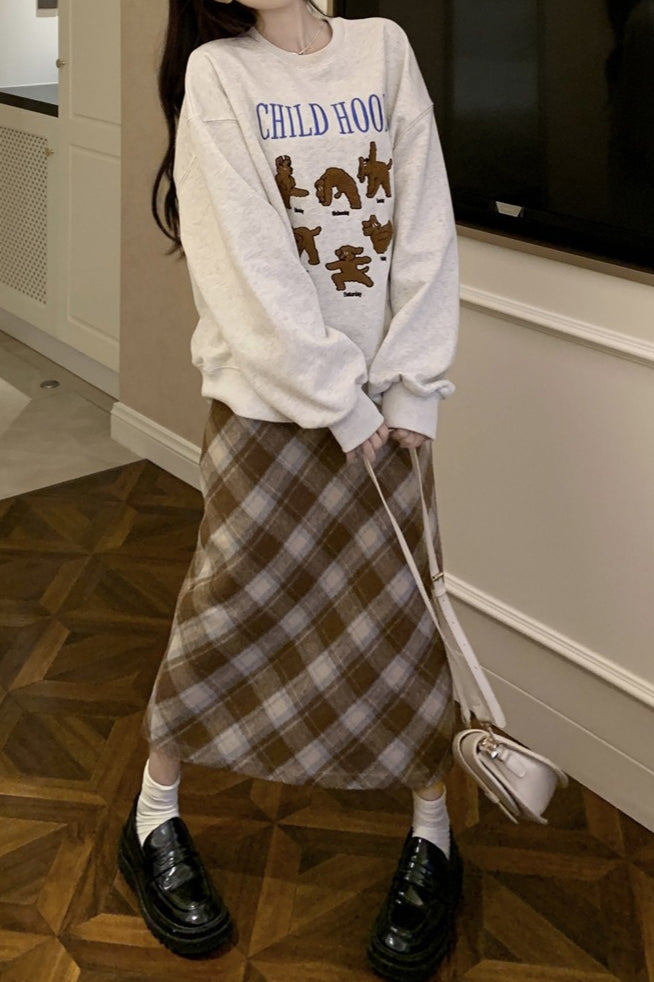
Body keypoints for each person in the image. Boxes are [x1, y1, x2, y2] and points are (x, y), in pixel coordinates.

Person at [118, 1, 461, 979]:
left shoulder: (383, 49)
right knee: (226, 611)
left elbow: (425, 223)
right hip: (271, 414)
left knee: (405, 622)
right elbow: (246, 269)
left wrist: (412, 386)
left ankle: (434, 832)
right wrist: (338, 401)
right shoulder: (220, 75)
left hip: (387, 410)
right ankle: (152, 815)